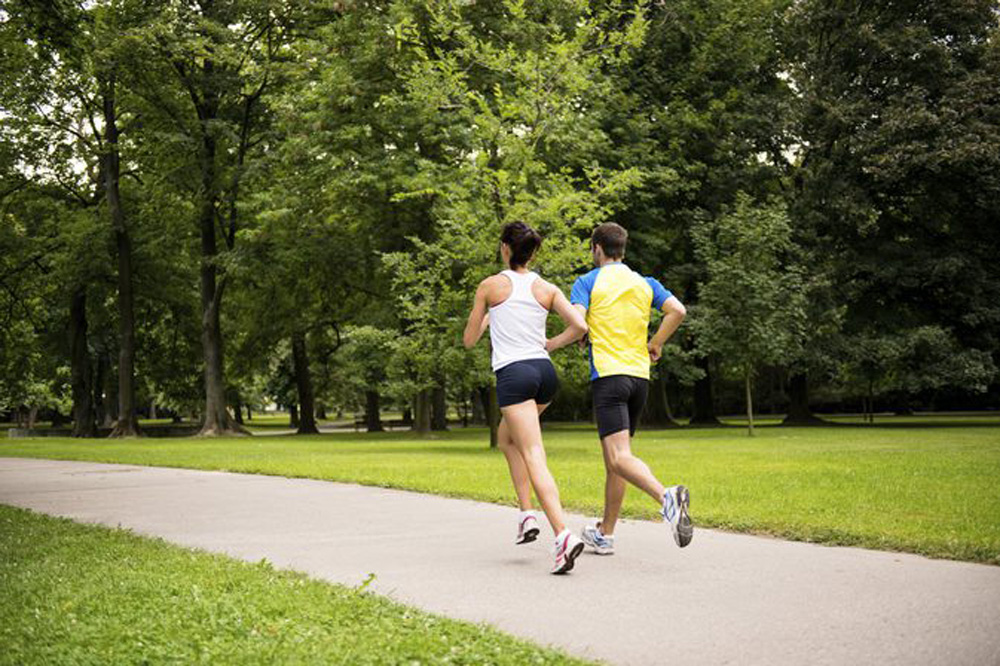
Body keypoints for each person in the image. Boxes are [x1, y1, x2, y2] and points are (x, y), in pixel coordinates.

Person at [463, 222, 589, 574]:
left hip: (515, 376)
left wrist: (486, 317)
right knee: (507, 438)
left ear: (505, 248)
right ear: (531, 253)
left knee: (533, 452)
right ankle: (526, 513)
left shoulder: (490, 286)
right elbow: (579, 327)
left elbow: (469, 340)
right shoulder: (546, 287)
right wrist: (551, 344)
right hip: (544, 375)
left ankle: (563, 534)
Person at [570, 222, 692, 555]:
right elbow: (678, 310)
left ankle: (667, 498)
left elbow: (578, 320)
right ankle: (605, 534)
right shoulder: (644, 283)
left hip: (609, 376)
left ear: (597, 248)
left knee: (618, 457)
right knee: (618, 460)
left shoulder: (587, 281)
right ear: (622, 250)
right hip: (639, 378)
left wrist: (577, 335)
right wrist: (656, 343)